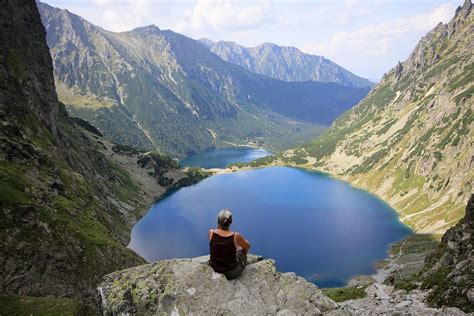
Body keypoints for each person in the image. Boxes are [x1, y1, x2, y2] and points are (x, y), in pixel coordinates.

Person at [208, 209, 251, 280]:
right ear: (230, 222)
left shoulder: (211, 232)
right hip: (230, 272)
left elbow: (220, 241)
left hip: (214, 268)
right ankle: (244, 261)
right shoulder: (235, 236)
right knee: (241, 248)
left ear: (218, 220)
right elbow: (248, 246)